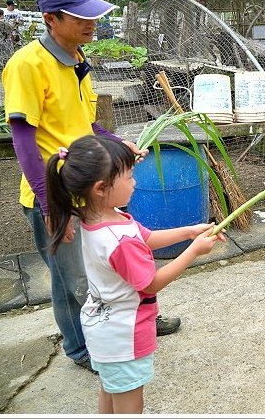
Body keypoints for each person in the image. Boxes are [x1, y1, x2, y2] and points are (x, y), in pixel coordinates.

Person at [1, 0, 182, 376]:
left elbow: (84, 125)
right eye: (80, 17)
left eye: (93, 16)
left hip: (90, 188)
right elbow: (23, 142)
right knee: (73, 280)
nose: (91, 24)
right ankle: (82, 348)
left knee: (112, 264)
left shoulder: (78, 60)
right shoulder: (27, 65)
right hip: (57, 194)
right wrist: (49, 205)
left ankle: (137, 321)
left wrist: (117, 143)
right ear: (50, 19)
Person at [45, 135, 226, 413]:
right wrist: (193, 251)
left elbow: (148, 237)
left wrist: (190, 232)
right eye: (129, 177)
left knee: (110, 390)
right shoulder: (120, 242)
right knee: (129, 405)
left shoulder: (100, 217)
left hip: (103, 328)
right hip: (124, 335)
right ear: (101, 188)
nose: (135, 182)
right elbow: (151, 284)